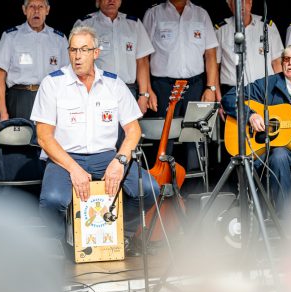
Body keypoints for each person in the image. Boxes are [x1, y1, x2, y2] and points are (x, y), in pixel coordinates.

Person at [30, 26, 159, 255]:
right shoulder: (53, 83)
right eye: (73, 50)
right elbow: (44, 137)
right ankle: (60, 245)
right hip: (65, 156)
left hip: (106, 156)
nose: (77, 56)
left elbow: (133, 130)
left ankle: (123, 234)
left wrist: (120, 161)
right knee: (52, 200)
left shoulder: (114, 83)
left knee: (149, 189)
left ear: (96, 53)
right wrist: (74, 169)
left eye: (84, 50)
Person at [221, 44, 291, 218]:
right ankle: (282, 220)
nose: (290, 63)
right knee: (278, 156)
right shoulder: (269, 84)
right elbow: (230, 97)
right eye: (286, 59)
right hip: (283, 148)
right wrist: (250, 115)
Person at [143, 0, 219, 171]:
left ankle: (196, 185)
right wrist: (147, 90)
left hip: (196, 85)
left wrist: (211, 87)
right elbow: (143, 55)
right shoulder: (154, 13)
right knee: (164, 137)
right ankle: (164, 183)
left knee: (197, 136)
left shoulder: (201, 13)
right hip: (163, 86)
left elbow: (211, 54)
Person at [74, 0, 157, 114]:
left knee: (128, 130)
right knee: (99, 130)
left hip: (128, 90)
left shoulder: (134, 24)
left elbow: (142, 61)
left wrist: (143, 95)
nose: (111, 0)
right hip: (97, 90)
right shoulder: (85, 24)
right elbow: (77, 60)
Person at [0, 0, 69, 121]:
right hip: (19, 99)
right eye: (32, 6)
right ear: (24, 10)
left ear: (47, 10)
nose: (36, 11)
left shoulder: (59, 39)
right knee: (20, 139)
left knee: (46, 139)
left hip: (50, 99)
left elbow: (67, 78)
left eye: (41, 7)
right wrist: (3, 113)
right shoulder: (10, 36)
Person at [215, 0, 283, 96]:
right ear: (230, 6)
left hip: (265, 90)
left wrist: (280, 92)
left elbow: (277, 63)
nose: (241, 5)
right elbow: (215, 66)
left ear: (250, 3)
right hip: (232, 92)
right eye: (236, 2)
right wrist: (218, 95)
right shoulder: (221, 30)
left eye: (244, 1)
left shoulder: (267, 26)